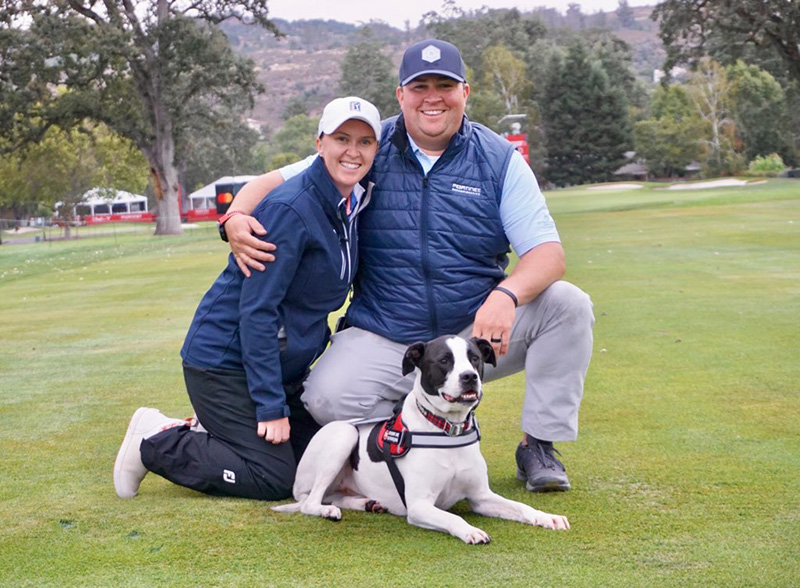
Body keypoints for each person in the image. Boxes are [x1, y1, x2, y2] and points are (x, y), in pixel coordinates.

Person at [222, 39, 595, 492]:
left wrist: (506, 294)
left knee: (568, 305)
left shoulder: (499, 159)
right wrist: (235, 218)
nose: (432, 97)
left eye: (445, 85)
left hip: (474, 333)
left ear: (465, 92)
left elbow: (548, 255)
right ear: (400, 95)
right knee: (325, 399)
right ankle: (409, 442)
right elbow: (269, 183)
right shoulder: (367, 144)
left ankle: (538, 445)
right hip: (386, 329)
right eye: (420, 86)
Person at [113, 96, 382, 500]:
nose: (353, 151)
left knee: (319, 457)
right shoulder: (292, 208)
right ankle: (156, 441)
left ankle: (212, 429)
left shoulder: (349, 204)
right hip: (225, 365)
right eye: (342, 138)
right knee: (273, 478)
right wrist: (271, 407)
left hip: (276, 367)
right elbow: (257, 313)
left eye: (365, 142)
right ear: (319, 142)